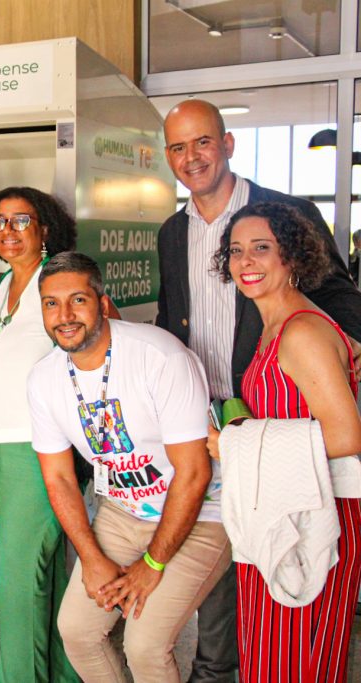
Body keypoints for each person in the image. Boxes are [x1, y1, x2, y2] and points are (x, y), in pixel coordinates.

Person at [156, 98, 361, 682]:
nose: (192, 157)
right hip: (213, 414)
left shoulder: (284, 214)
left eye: (202, 141)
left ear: (227, 144)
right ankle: (219, 669)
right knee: (235, 558)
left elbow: (339, 294)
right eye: (178, 147)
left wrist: (340, 349)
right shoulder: (173, 231)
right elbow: (174, 316)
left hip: (278, 401)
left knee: (280, 582)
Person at [29, 252, 231, 683]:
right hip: (123, 511)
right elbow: (59, 478)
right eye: (51, 303)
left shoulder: (159, 357)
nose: (64, 316)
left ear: (102, 304)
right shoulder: (43, 379)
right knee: (78, 632)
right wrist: (91, 557)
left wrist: (153, 564)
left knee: (144, 645)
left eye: (78, 300)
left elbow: (194, 473)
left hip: (201, 514)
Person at [209, 202, 361, 682]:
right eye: (236, 251)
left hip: (316, 517)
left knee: (296, 662)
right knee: (272, 658)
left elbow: (346, 435)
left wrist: (233, 445)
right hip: (285, 509)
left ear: (292, 256)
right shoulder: (275, 325)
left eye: (262, 248)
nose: (246, 261)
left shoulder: (301, 332)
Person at [0, 187, 79, 683]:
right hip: (0, 448)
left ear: (45, 229)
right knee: (46, 574)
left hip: (37, 451)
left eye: (21, 220)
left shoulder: (56, 281)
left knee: (15, 578)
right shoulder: (6, 286)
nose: (7, 230)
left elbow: (102, 340)